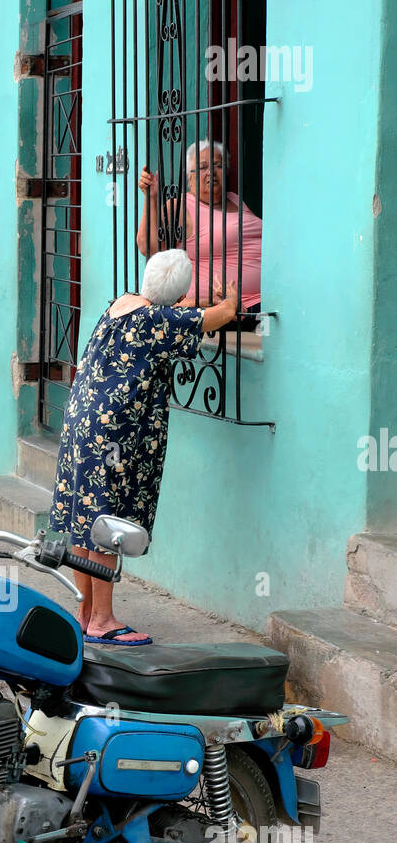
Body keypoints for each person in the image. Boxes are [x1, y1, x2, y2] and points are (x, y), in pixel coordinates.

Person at [49, 249, 237, 646]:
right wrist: (231, 298)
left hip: (83, 422)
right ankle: (103, 619)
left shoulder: (123, 304)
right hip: (115, 434)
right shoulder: (158, 321)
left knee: (86, 519)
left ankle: (84, 613)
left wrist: (185, 303)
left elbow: (175, 313)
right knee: (108, 524)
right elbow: (215, 318)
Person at [136, 142, 262, 329]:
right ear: (189, 176)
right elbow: (148, 247)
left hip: (261, 303)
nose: (210, 172)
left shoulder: (235, 199)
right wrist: (151, 198)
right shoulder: (182, 206)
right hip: (228, 310)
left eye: (217, 166)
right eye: (202, 167)